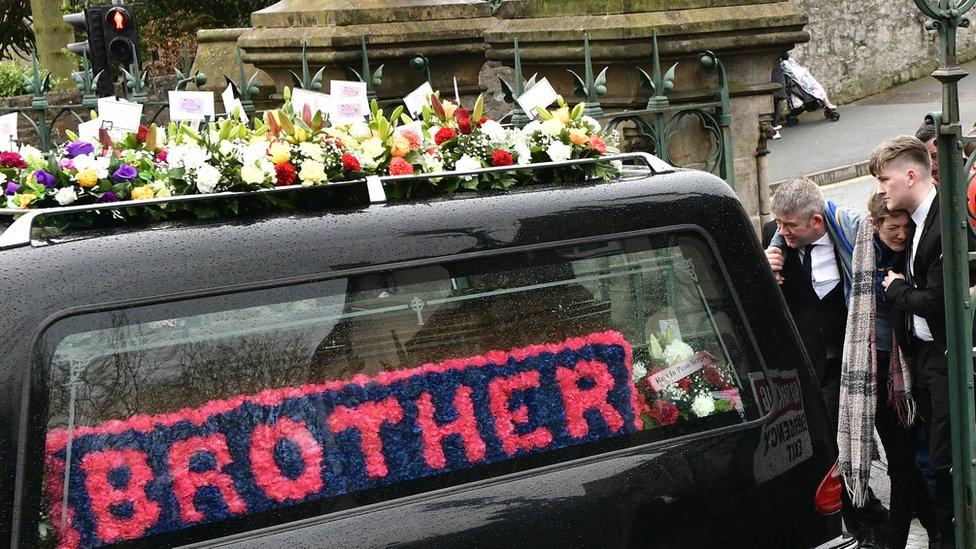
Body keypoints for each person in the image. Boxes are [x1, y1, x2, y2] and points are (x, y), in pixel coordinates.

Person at [763, 179, 888, 546]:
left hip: (845, 361)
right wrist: (764, 268)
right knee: (821, 448)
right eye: (779, 224)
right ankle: (863, 517)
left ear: (816, 221)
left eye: (791, 226)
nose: (782, 232)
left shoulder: (848, 236)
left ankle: (866, 520)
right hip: (802, 363)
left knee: (840, 445)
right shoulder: (775, 238)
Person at [876, 134, 976, 548]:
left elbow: (938, 301)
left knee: (948, 462)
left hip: (947, 359)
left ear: (912, 175)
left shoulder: (942, 221)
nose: (881, 189)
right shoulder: (916, 224)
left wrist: (896, 290)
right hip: (925, 360)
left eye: (885, 179)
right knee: (937, 461)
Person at [838, 194, 938, 548]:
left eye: (905, 227)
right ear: (875, 225)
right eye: (891, 227)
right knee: (902, 459)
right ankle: (936, 526)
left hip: (904, 374)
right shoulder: (863, 242)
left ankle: (895, 538)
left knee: (902, 461)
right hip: (871, 370)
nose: (899, 233)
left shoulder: (913, 255)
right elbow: (819, 206)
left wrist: (898, 287)